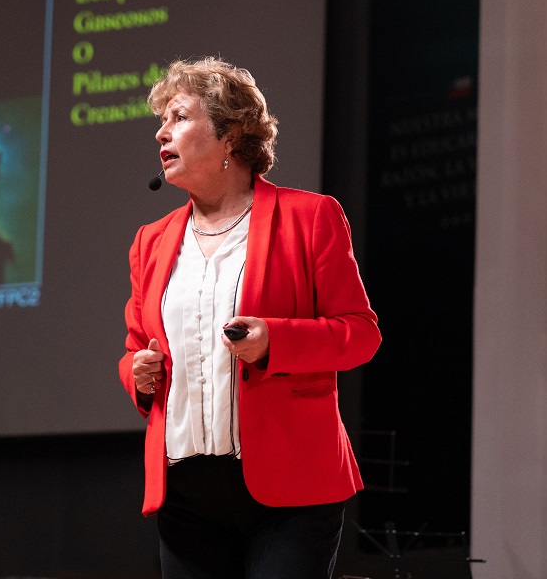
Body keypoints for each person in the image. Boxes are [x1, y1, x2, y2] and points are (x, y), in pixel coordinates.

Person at [118, 57, 381, 579]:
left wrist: (275, 342)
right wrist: (138, 373)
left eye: (178, 117)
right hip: (186, 495)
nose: (160, 133)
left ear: (231, 135)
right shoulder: (151, 242)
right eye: (161, 121)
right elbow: (134, 349)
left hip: (292, 489)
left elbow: (360, 334)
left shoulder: (310, 218)